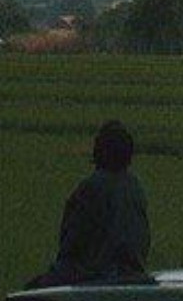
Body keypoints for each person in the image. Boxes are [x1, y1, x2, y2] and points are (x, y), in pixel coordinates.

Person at [27, 120, 152, 287]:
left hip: (95, 273)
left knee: (32, 292)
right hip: (133, 272)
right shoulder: (135, 186)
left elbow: (72, 241)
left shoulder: (92, 187)